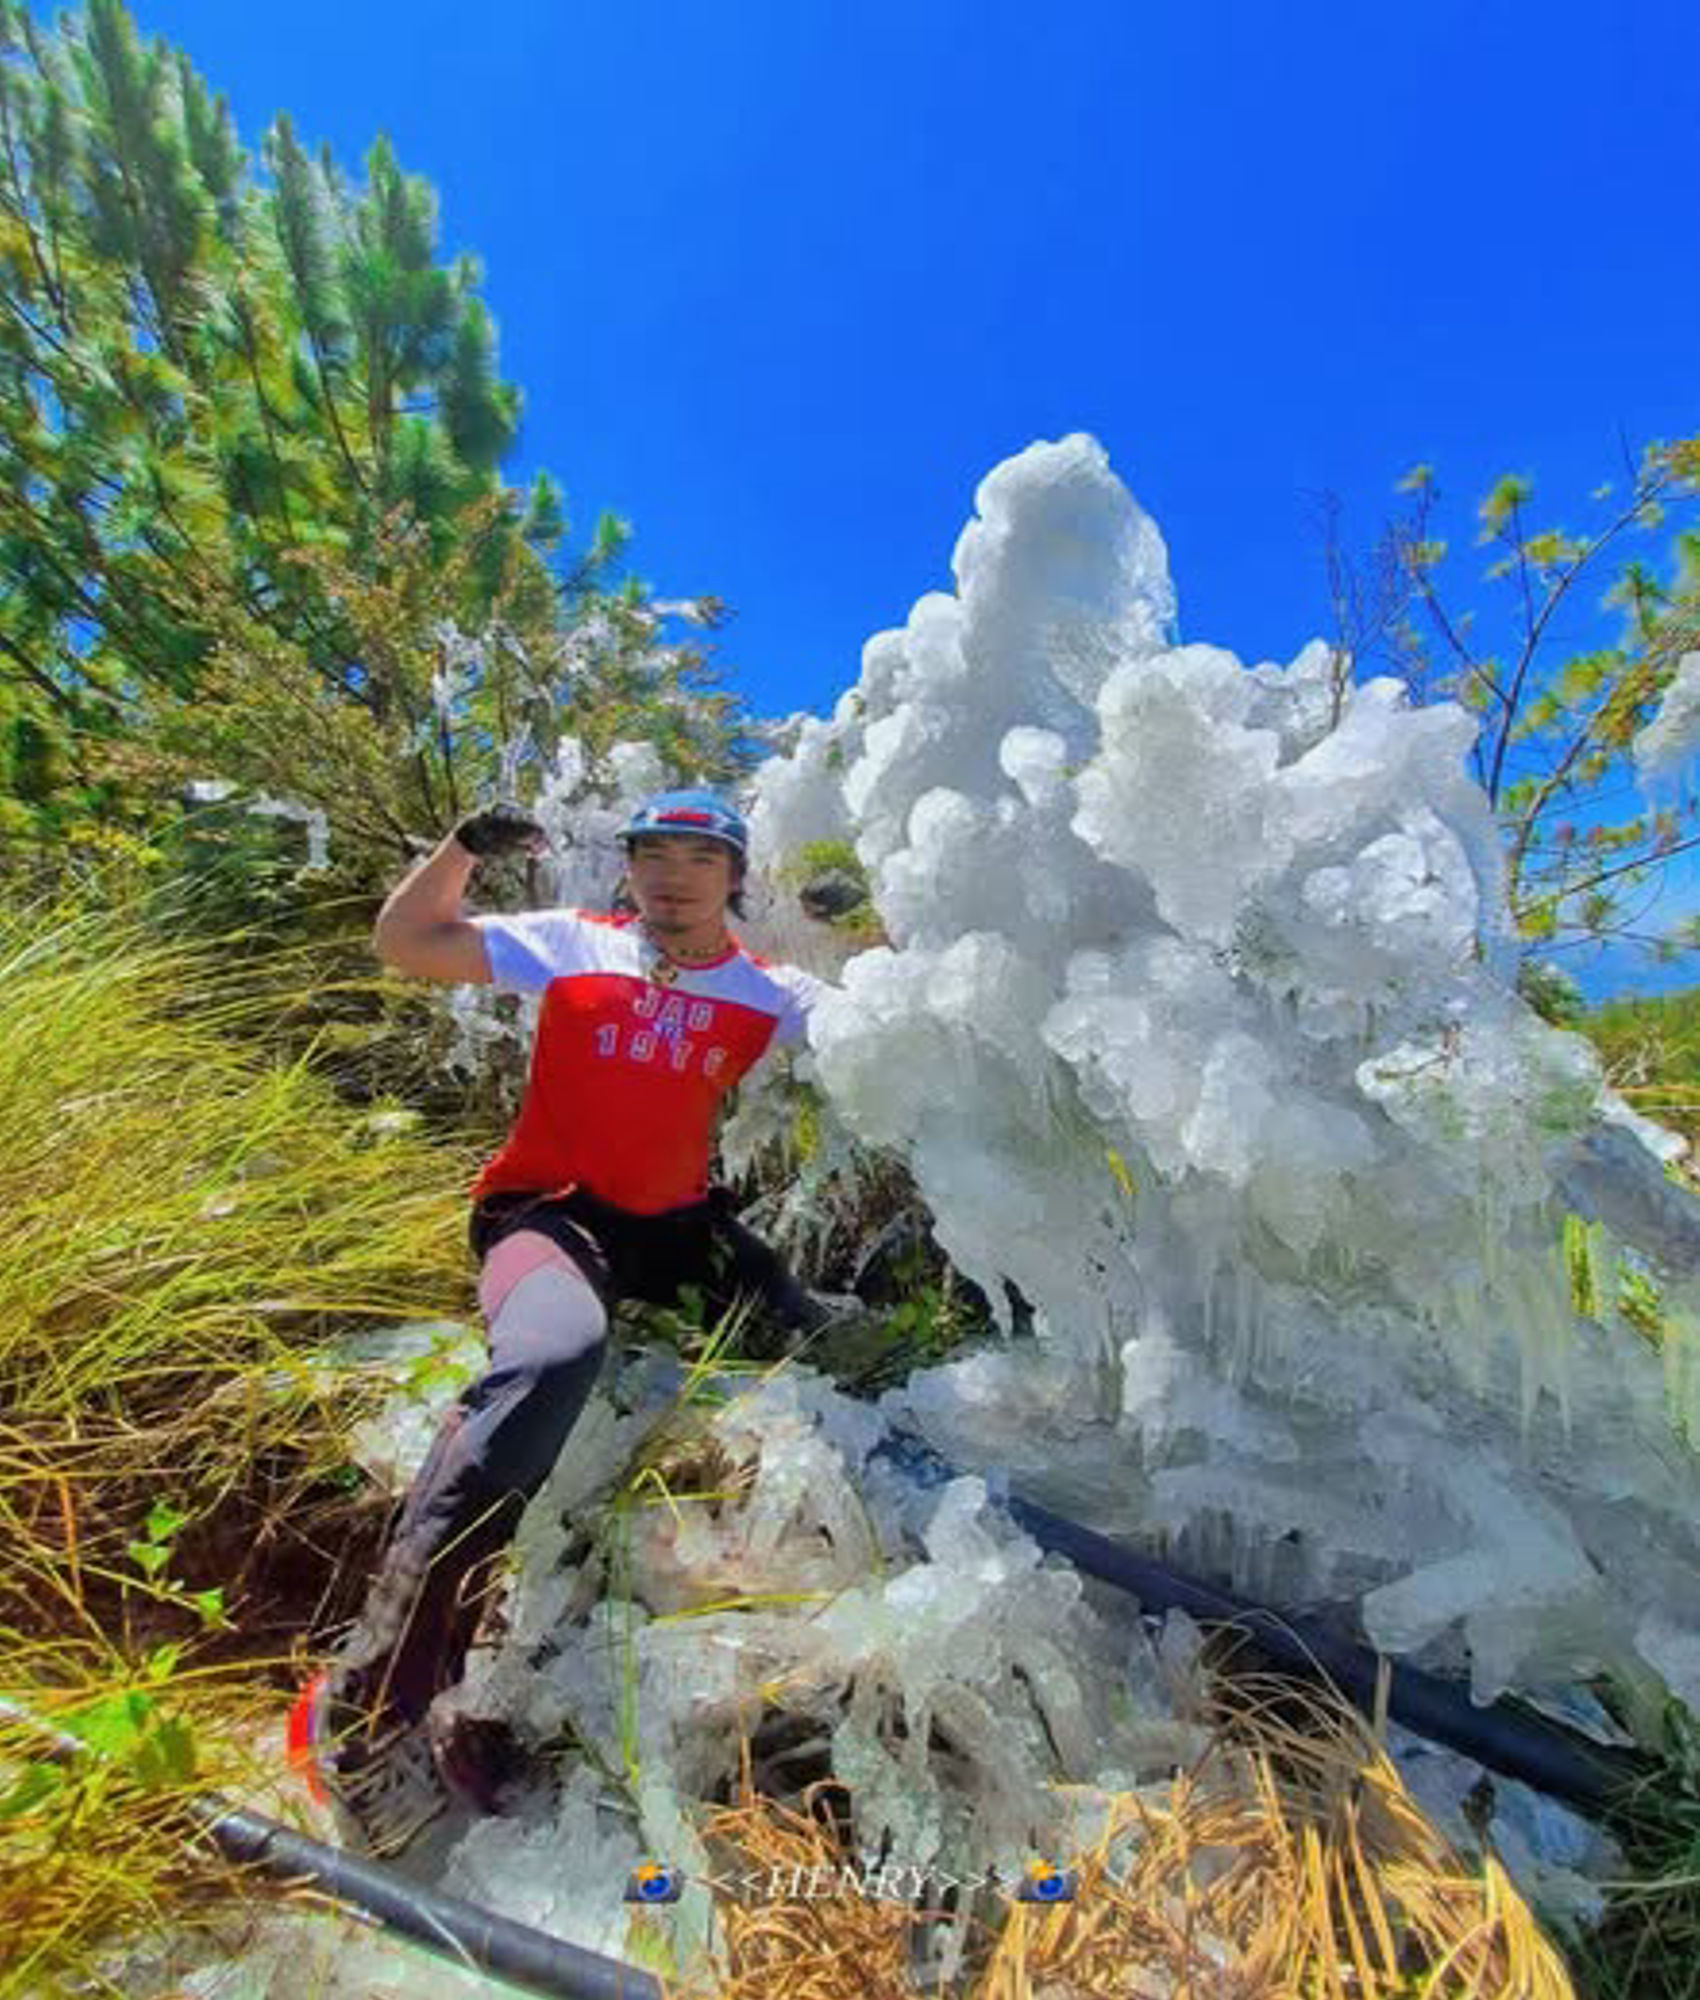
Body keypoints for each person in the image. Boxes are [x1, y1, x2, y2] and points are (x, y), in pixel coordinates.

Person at [293, 788, 839, 1856]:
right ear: (627, 868)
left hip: (677, 1228)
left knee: (819, 1336)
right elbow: (406, 940)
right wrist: (460, 849)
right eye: (650, 852)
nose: (670, 873)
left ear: (734, 877)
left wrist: (856, 925)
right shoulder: (574, 941)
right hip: (549, 1212)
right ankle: (373, 1697)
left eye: (697, 854)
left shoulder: (767, 988)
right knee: (555, 1351)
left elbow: (899, 1017)